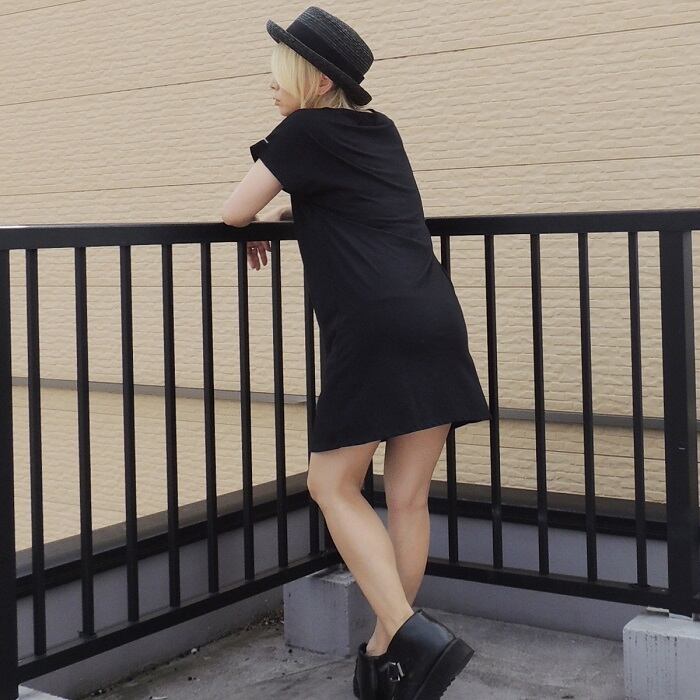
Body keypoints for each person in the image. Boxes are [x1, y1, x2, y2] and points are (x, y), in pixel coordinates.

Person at [221, 6, 490, 699]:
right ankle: (386, 656)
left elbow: (234, 209)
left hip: (373, 328)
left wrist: (264, 215)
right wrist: (294, 210)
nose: (271, 83)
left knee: (330, 483)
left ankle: (409, 633)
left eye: (281, 72)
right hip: (433, 314)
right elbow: (354, 200)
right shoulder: (381, 130)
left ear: (316, 81)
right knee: (406, 498)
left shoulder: (302, 133)